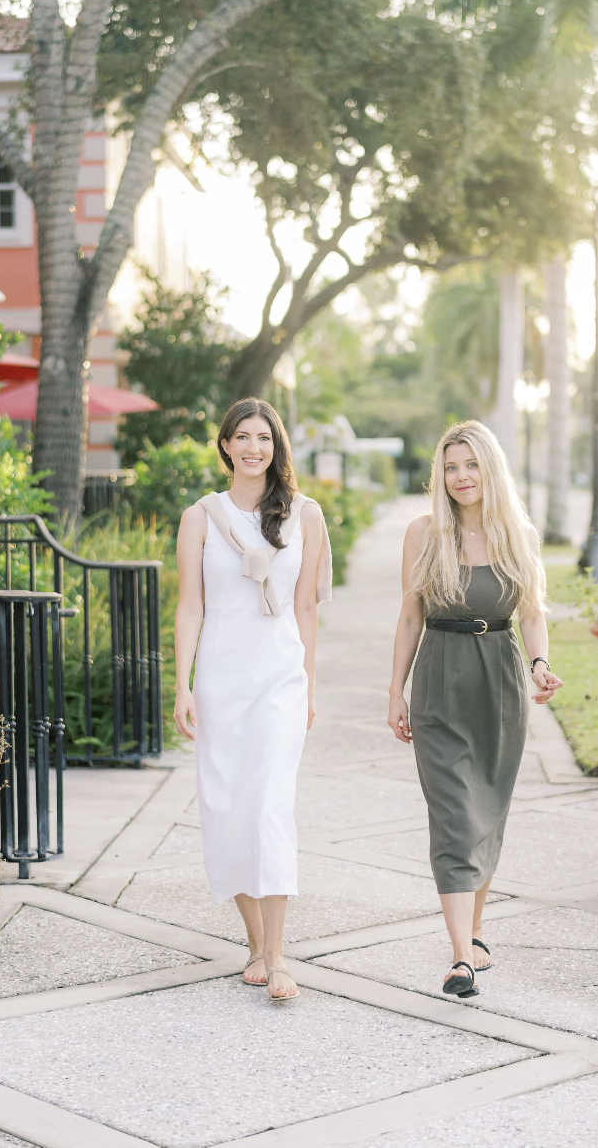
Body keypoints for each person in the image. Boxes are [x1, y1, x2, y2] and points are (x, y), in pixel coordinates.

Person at [388, 420, 562, 997]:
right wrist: (396, 691)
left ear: (490, 469)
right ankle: (461, 956)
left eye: (471, 465)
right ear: (440, 475)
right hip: (440, 678)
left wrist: (539, 663)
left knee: (486, 811)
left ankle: (477, 929)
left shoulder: (519, 535)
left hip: (500, 684)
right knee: (454, 816)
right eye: (451, 467)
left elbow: (531, 612)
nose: (461, 477)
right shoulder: (423, 534)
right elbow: (411, 615)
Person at [174, 397, 331, 1003]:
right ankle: (255, 944)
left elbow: (306, 609)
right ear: (224, 446)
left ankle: (279, 955)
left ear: (276, 446)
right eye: (241, 436)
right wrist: (181, 684)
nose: (252, 447)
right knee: (227, 806)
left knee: (268, 803)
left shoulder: (305, 515)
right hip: (220, 674)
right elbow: (192, 605)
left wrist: (309, 683)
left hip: (279, 676)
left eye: (262, 437)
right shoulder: (200, 518)